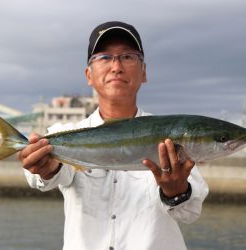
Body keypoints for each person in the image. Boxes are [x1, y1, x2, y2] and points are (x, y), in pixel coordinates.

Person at [19, 21, 209, 250]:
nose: (117, 66)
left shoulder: (170, 134)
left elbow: (190, 212)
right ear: (88, 74)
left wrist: (177, 193)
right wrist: (45, 168)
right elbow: (44, 178)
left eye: (128, 56)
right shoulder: (62, 135)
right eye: (105, 57)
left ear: (144, 72)